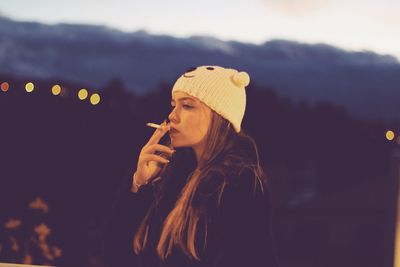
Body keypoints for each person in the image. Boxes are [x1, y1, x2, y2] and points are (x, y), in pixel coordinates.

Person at [103, 65, 280, 267]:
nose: (172, 116)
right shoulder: (171, 173)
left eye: (187, 106)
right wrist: (139, 184)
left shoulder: (238, 184)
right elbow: (116, 253)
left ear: (219, 116)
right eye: (173, 105)